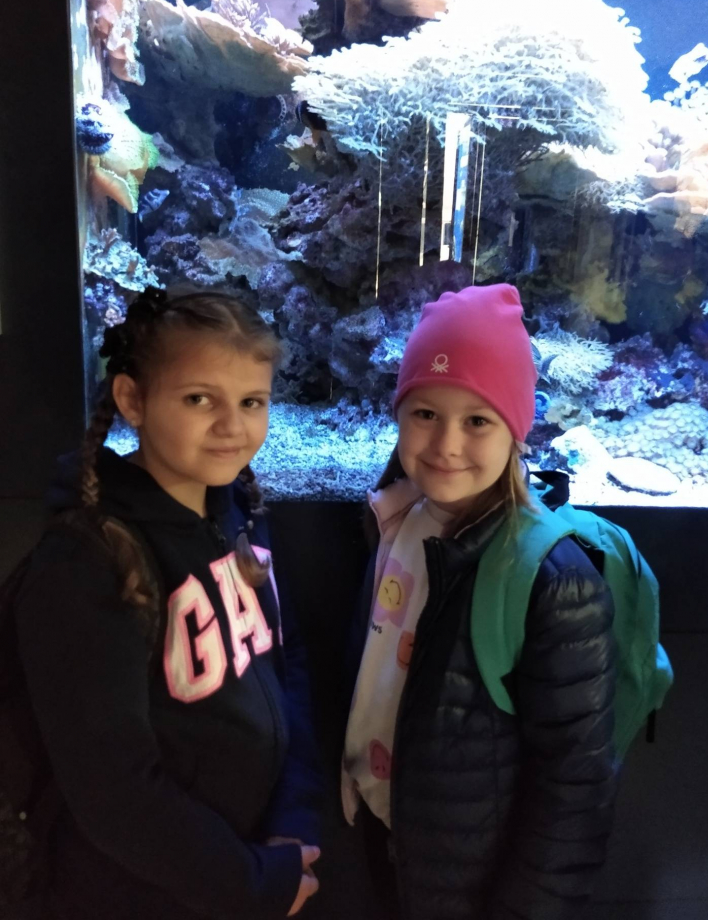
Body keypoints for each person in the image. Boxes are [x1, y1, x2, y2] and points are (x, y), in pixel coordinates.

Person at [14, 287, 322, 920]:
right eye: (199, 399)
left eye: (252, 402)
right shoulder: (88, 559)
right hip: (135, 893)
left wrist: (292, 823)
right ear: (133, 399)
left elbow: (283, 664)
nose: (232, 426)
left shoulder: (241, 515)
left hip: (249, 861)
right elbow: (112, 789)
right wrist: (250, 883)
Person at [342, 284, 618, 920]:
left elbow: (574, 789)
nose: (446, 444)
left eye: (477, 420)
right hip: (394, 841)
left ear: (516, 431)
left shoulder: (555, 582)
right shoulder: (398, 520)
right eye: (425, 413)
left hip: (474, 882)